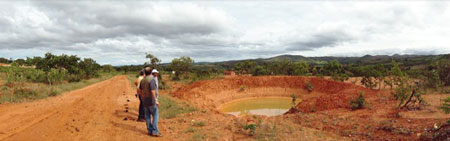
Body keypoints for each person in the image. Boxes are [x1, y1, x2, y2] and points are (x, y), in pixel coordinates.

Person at [139, 67, 162, 137]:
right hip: (151, 100)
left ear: (145, 72)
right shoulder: (151, 80)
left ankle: (149, 130)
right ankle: (155, 131)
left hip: (145, 100)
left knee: (147, 116)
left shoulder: (142, 80)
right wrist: (156, 100)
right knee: (155, 115)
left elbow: (140, 90)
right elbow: (152, 91)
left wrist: (142, 97)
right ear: (151, 72)